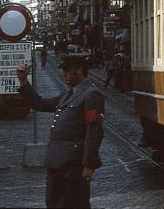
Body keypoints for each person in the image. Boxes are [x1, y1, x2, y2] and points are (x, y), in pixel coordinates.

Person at [17, 53, 105, 208]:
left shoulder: (91, 95)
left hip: (74, 163)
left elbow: (94, 131)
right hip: (56, 161)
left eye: (67, 70)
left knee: (75, 204)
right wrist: (24, 81)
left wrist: (89, 164)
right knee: (55, 203)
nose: (63, 74)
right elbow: (40, 104)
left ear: (78, 70)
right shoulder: (69, 93)